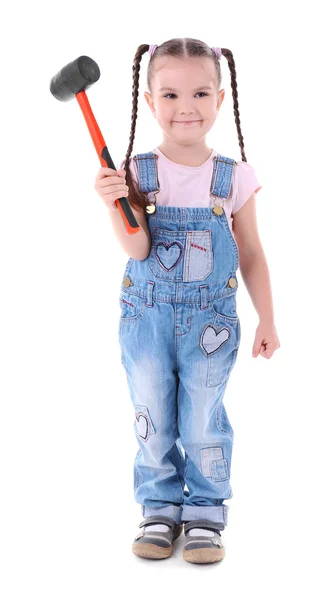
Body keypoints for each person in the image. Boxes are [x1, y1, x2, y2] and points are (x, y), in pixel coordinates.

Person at [94, 38, 280, 565]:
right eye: (171, 94)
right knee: (151, 412)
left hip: (210, 322)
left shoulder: (234, 176)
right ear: (151, 102)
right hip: (146, 318)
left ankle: (204, 511)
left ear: (220, 99)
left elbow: (252, 253)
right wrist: (116, 206)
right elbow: (138, 247)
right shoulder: (137, 171)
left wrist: (268, 316)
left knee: (202, 417)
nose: (186, 107)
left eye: (200, 92)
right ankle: (158, 507)